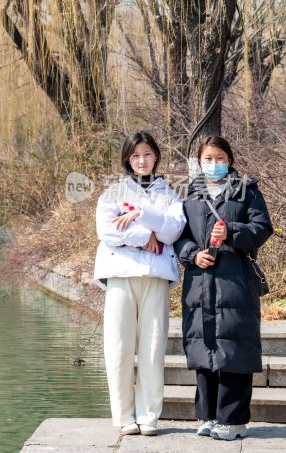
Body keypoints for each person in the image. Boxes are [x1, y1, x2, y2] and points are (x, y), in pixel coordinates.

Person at [175, 136, 273, 440]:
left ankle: (233, 420)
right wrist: (192, 254)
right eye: (208, 159)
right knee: (204, 351)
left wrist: (233, 230)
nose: (214, 164)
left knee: (234, 351)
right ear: (199, 162)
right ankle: (207, 416)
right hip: (200, 284)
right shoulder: (190, 195)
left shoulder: (247, 192)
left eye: (220, 158)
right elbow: (179, 236)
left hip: (235, 283)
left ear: (229, 160)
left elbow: (261, 228)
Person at [94, 131, 185, 436]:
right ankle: (123, 417)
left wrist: (140, 214)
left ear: (155, 156)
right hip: (120, 275)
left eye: (147, 154)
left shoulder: (170, 193)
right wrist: (145, 235)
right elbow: (107, 232)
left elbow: (173, 231)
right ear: (127, 160)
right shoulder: (112, 193)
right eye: (135, 156)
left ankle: (149, 416)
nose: (142, 161)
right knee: (118, 347)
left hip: (155, 276)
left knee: (153, 346)